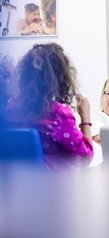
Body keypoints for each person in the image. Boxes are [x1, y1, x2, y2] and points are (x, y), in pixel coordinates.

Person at [6, 43, 93, 171]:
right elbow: (84, 158)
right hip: (52, 186)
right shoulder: (58, 114)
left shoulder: (9, 107)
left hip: (14, 185)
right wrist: (85, 118)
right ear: (61, 77)